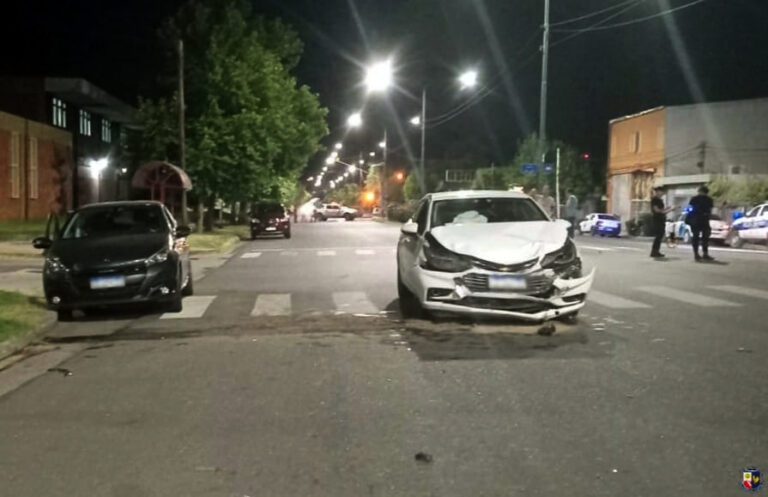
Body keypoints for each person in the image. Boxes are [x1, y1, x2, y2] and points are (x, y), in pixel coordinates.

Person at [687, 185, 714, 261]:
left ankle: (697, 254)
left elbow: (690, 209)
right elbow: (710, 210)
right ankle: (704, 254)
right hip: (703, 220)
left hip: (695, 220)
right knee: (705, 237)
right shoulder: (709, 200)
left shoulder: (694, 199)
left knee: (696, 237)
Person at [650, 187, 675, 258]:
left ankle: (656, 251)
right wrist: (670, 210)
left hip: (661, 219)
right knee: (658, 236)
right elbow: (657, 210)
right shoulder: (655, 200)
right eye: (661, 191)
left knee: (660, 236)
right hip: (657, 219)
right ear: (657, 192)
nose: (662, 193)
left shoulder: (659, 200)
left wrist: (668, 208)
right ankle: (654, 252)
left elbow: (661, 209)